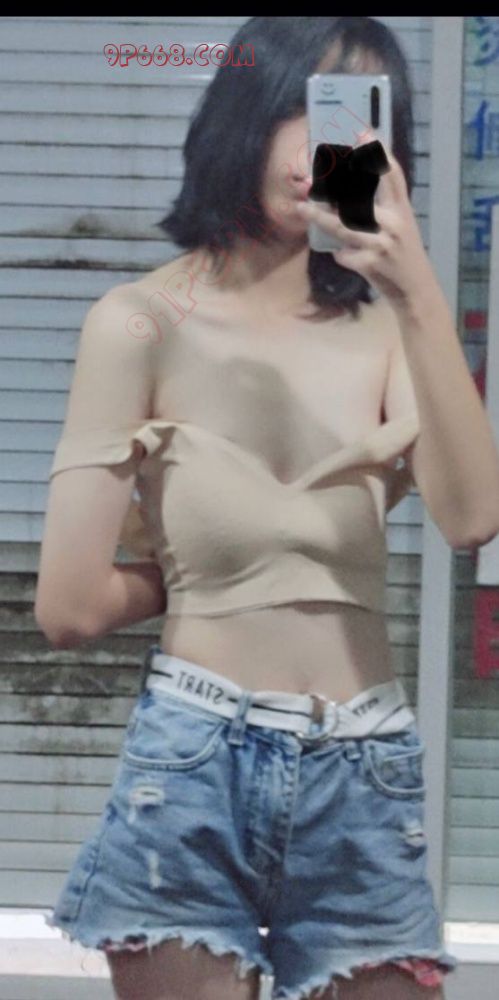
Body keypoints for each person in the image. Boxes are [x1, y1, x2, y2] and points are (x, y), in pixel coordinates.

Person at [35, 16, 499, 1000]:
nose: (319, 146)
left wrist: (416, 285)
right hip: (193, 759)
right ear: (242, 112)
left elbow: (469, 519)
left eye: (356, 117)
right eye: (301, 104)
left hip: (362, 767)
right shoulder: (138, 323)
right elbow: (67, 610)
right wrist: (216, 568)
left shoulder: (390, 325)